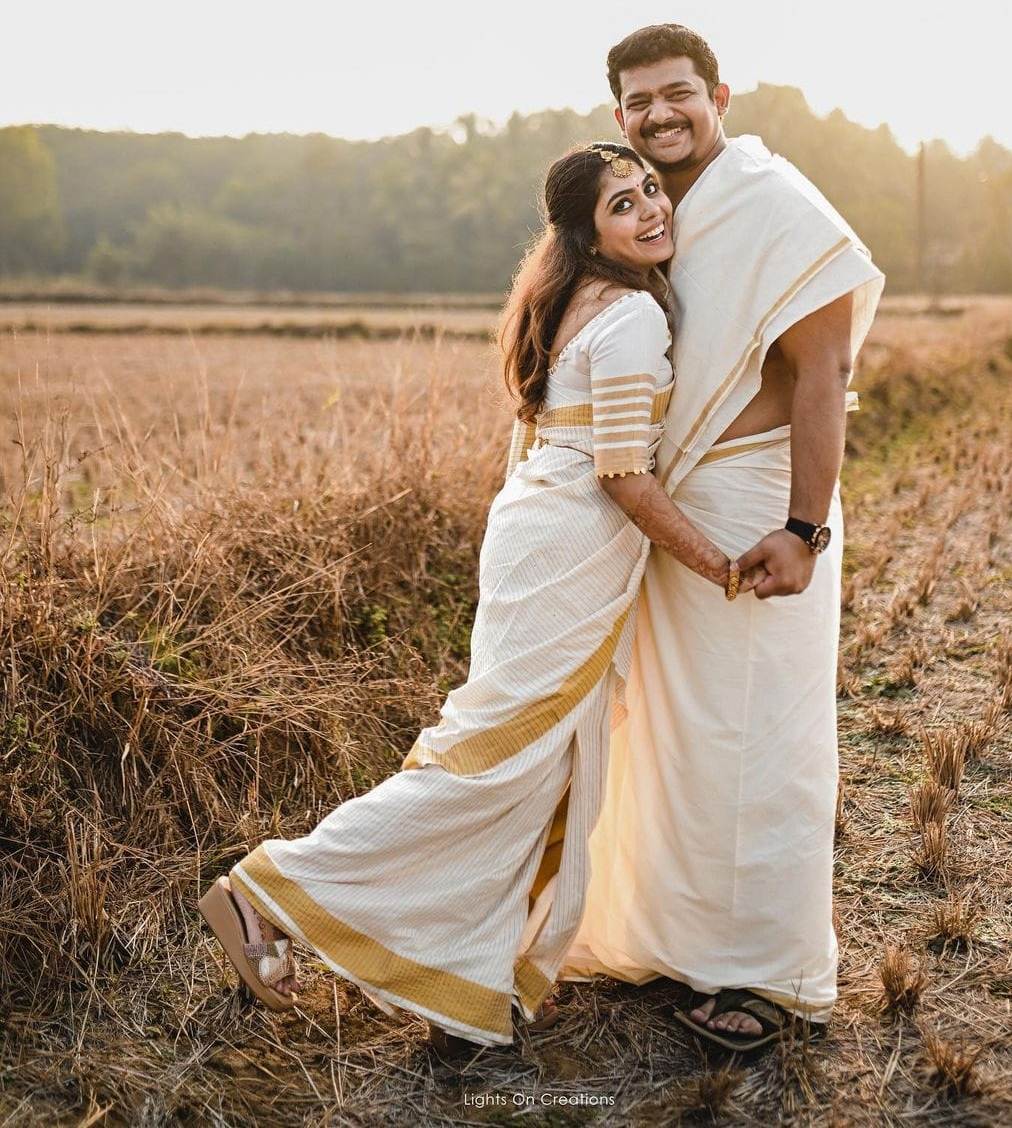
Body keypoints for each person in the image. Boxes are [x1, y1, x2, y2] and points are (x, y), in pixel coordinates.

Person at [198, 141, 760, 1048]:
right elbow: (624, 474)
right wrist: (719, 562)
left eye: (652, 189)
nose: (653, 208)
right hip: (571, 545)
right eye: (623, 204)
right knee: (491, 761)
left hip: (537, 531)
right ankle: (270, 891)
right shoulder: (632, 318)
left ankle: (466, 970)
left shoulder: (568, 297)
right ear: (589, 234)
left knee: (534, 764)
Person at [562, 24, 885, 1051]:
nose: (659, 115)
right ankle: (676, 941)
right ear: (619, 116)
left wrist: (803, 527)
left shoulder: (776, 204)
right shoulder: (657, 213)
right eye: (639, 102)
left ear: (719, 97)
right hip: (677, 516)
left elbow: (824, 372)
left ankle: (769, 976)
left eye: (678, 94)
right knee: (678, 738)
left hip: (759, 508)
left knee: (761, 740)